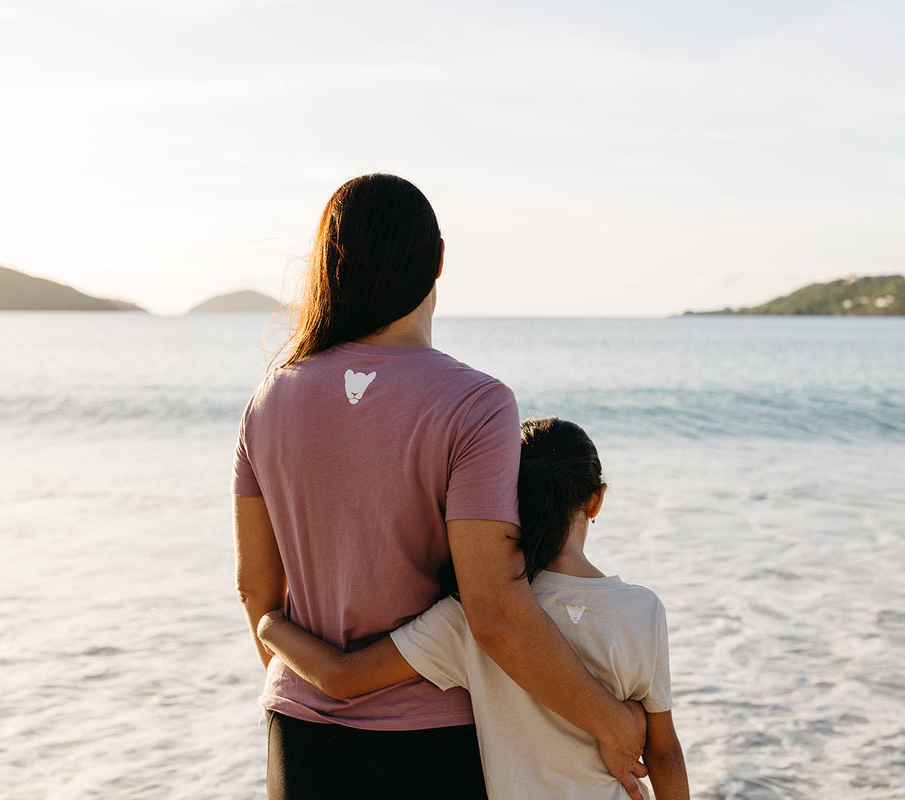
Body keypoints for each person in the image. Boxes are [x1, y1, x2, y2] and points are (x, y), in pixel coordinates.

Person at [232, 174, 646, 799]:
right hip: (430, 743)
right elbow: (495, 611)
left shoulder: (268, 401)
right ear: (440, 259)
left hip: (298, 733)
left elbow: (256, 591)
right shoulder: (475, 403)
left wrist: (323, 694)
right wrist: (610, 721)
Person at [258, 417, 691, 800]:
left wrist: (269, 623)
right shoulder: (641, 610)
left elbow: (343, 677)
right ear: (596, 500)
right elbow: (664, 752)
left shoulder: (474, 614)